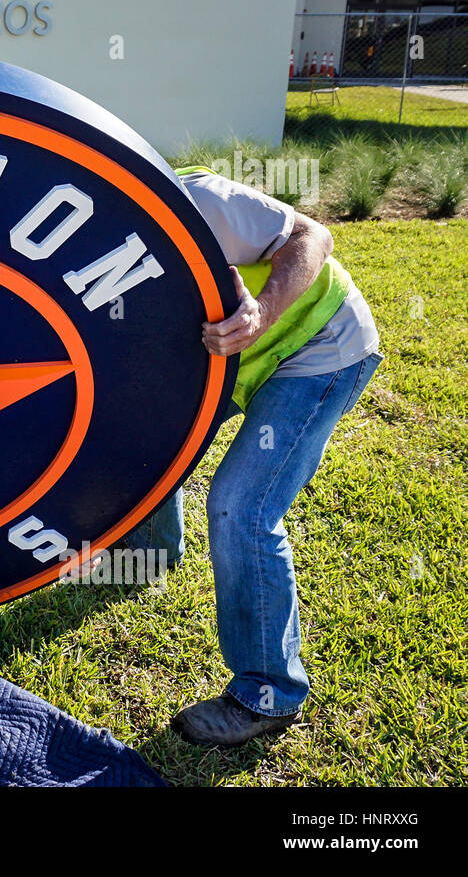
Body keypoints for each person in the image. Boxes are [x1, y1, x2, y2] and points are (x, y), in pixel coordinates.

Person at [122, 166, 382, 747]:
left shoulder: (197, 201)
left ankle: (268, 694)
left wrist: (260, 312)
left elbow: (313, 237)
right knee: (146, 430)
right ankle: (153, 551)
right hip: (233, 363)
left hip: (319, 348)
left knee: (242, 508)